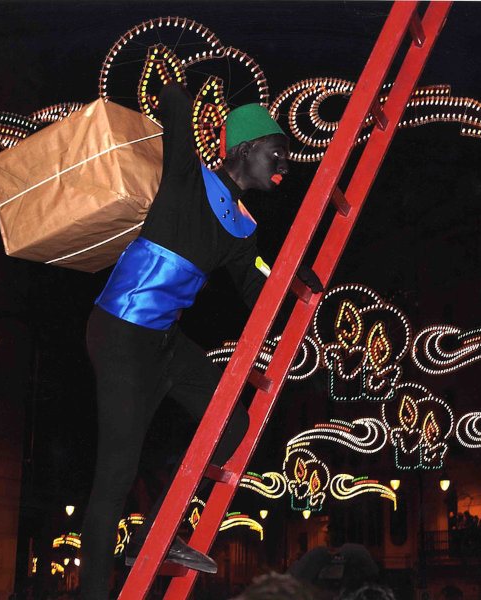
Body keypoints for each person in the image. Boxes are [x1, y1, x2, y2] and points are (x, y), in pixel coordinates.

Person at [79, 79, 320, 600]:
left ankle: (155, 532)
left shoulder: (243, 227)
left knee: (233, 424)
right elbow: (173, 105)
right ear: (248, 149)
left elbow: (258, 288)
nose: (285, 163)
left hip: (163, 340)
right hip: (120, 333)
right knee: (114, 476)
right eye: (278, 151)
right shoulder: (187, 176)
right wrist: (180, 89)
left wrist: (294, 277)